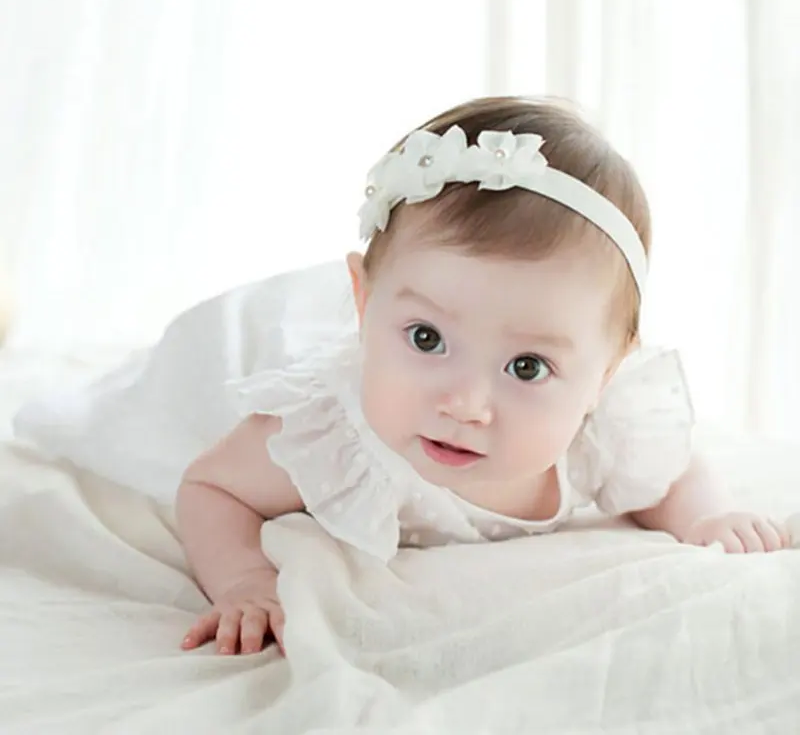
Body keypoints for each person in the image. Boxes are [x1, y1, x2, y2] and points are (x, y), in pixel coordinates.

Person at [177, 96, 789, 657]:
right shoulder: (334, 435)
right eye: (427, 338)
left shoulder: (603, 435)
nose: (466, 404)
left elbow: (673, 471)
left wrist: (706, 518)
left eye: (527, 367)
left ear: (605, 376)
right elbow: (213, 487)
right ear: (363, 304)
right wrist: (243, 579)